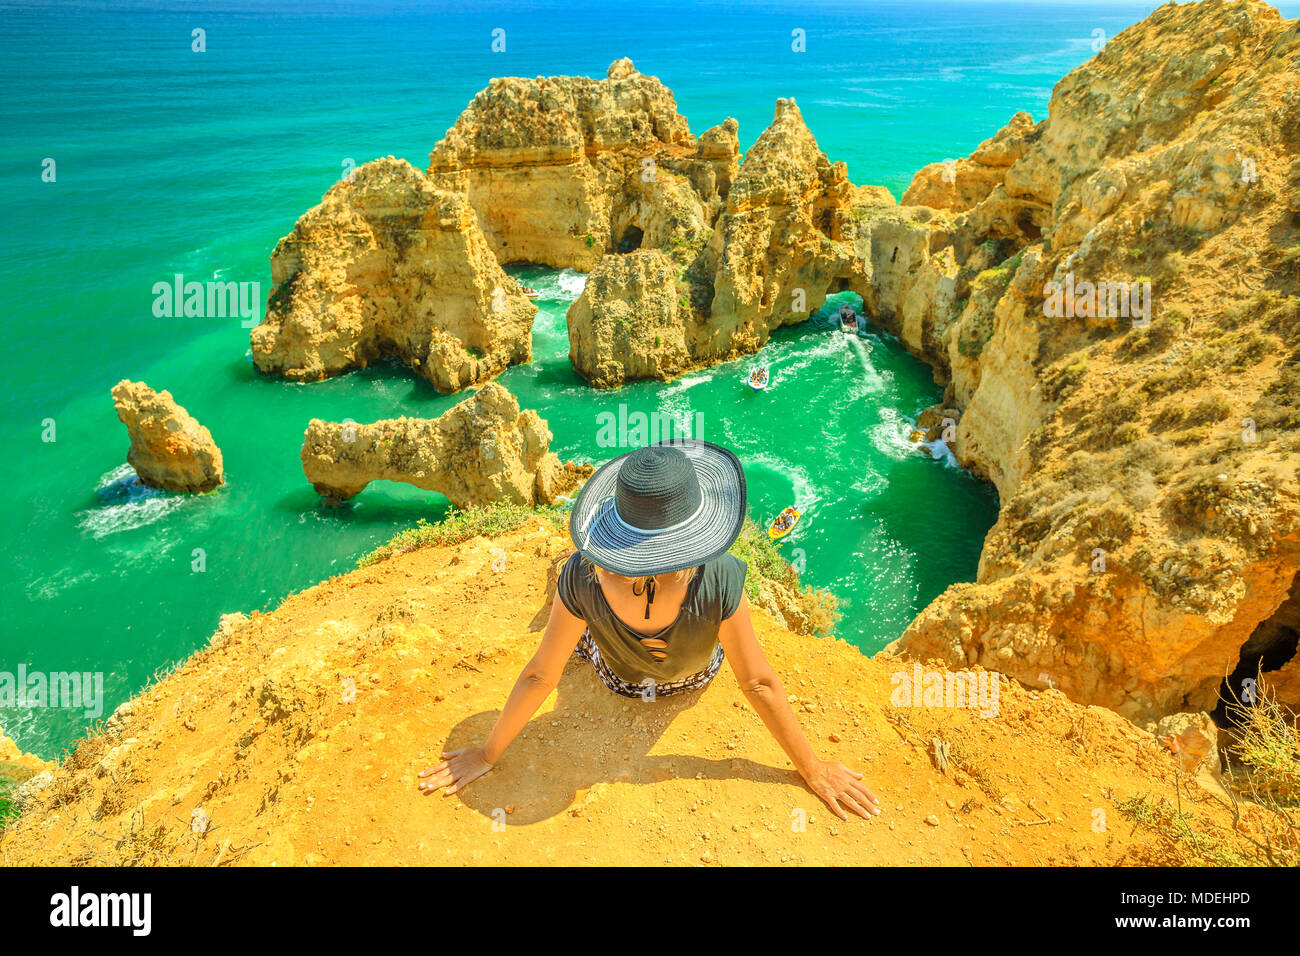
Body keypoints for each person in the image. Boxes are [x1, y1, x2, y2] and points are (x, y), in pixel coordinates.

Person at [418, 440, 881, 821]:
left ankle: (559, 590)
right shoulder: (720, 576)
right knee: (593, 598)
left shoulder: (585, 574)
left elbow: (541, 676)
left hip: (619, 681)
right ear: (697, 527)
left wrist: (487, 754)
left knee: (570, 592)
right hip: (693, 678)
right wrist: (813, 768)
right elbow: (757, 682)